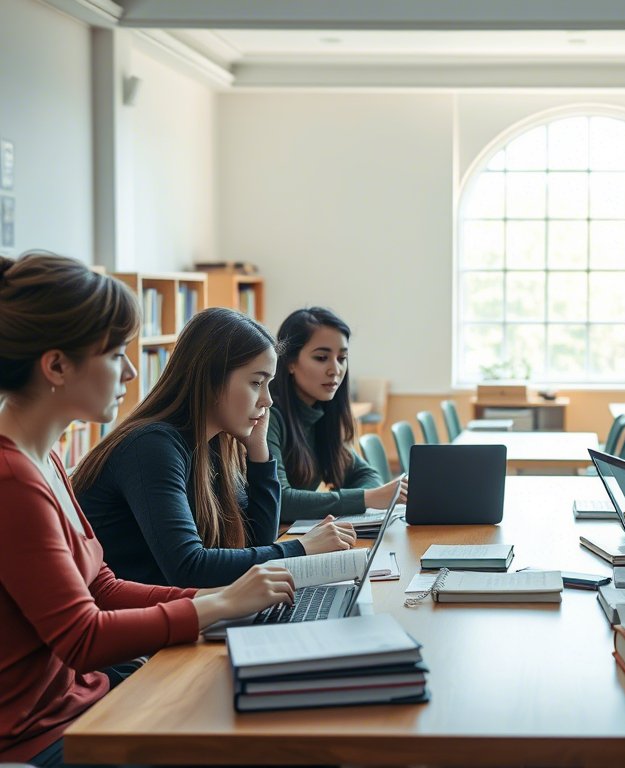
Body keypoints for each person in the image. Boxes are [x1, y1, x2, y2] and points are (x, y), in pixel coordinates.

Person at [0, 252, 296, 767]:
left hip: (84, 702)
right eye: (116, 354)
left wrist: (222, 600)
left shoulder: (43, 458)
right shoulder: (12, 480)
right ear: (56, 366)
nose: (133, 370)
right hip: (42, 736)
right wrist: (216, 606)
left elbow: (102, 587)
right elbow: (83, 637)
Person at [73, 307, 356, 589]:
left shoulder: (216, 443)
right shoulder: (152, 445)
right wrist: (301, 549)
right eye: (256, 382)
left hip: (178, 609)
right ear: (211, 380)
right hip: (128, 621)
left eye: (268, 384)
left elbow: (258, 541)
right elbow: (189, 568)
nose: (267, 400)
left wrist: (258, 453)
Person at [268, 307, 407, 524]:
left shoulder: (323, 413)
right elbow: (280, 501)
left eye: (342, 358)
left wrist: (368, 497)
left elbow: (367, 475)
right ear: (290, 362)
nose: (335, 369)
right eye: (322, 357)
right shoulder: (268, 416)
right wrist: (367, 498)